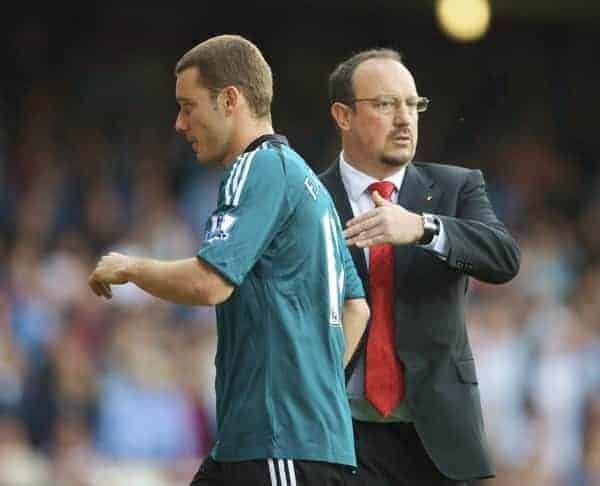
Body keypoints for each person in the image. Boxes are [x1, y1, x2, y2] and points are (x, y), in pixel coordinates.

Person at [88, 34, 370, 486]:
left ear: (230, 99)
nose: (180, 124)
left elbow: (210, 283)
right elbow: (357, 307)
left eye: (188, 105)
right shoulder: (308, 184)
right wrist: (317, 386)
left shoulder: (255, 168)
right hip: (270, 441)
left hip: (279, 443)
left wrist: (132, 266)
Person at [319, 48, 521, 485]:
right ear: (343, 115)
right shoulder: (307, 199)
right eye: (386, 104)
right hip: (339, 431)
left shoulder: (457, 186)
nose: (405, 118)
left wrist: (424, 228)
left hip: (440, 436)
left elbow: (504, 257)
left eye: (413, 104)